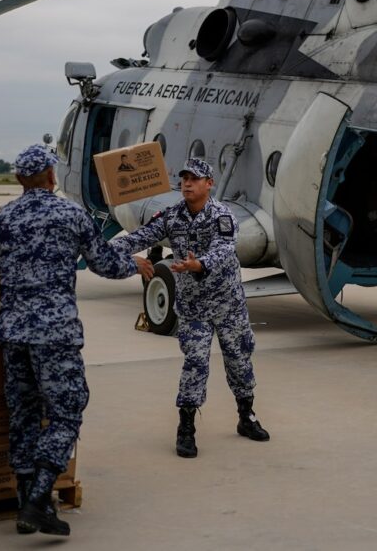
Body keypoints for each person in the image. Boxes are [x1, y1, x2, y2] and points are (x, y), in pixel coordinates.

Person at [0, 144, 153, 536]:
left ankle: (23, 507)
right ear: (51, 176)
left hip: (13, 333)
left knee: (23, 414)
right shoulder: (71, 213)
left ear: (19, 179)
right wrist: (133, 265)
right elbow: (103, 263)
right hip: (55, 333)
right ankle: (38, 499)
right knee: (68, 410)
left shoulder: (1, 219)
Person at [113, 157, 269, 458]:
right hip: (194, 307)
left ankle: (246, 417)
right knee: (195, 363)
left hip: (227, 304)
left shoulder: (223, 215)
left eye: (194, 178)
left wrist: (198, 264)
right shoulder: (172, 216)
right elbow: (141, 236)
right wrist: (107, 251)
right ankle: (186, 428)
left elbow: (224, 250)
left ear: (208, 184)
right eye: (184, 178)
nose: (187, 183)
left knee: (239, 361)